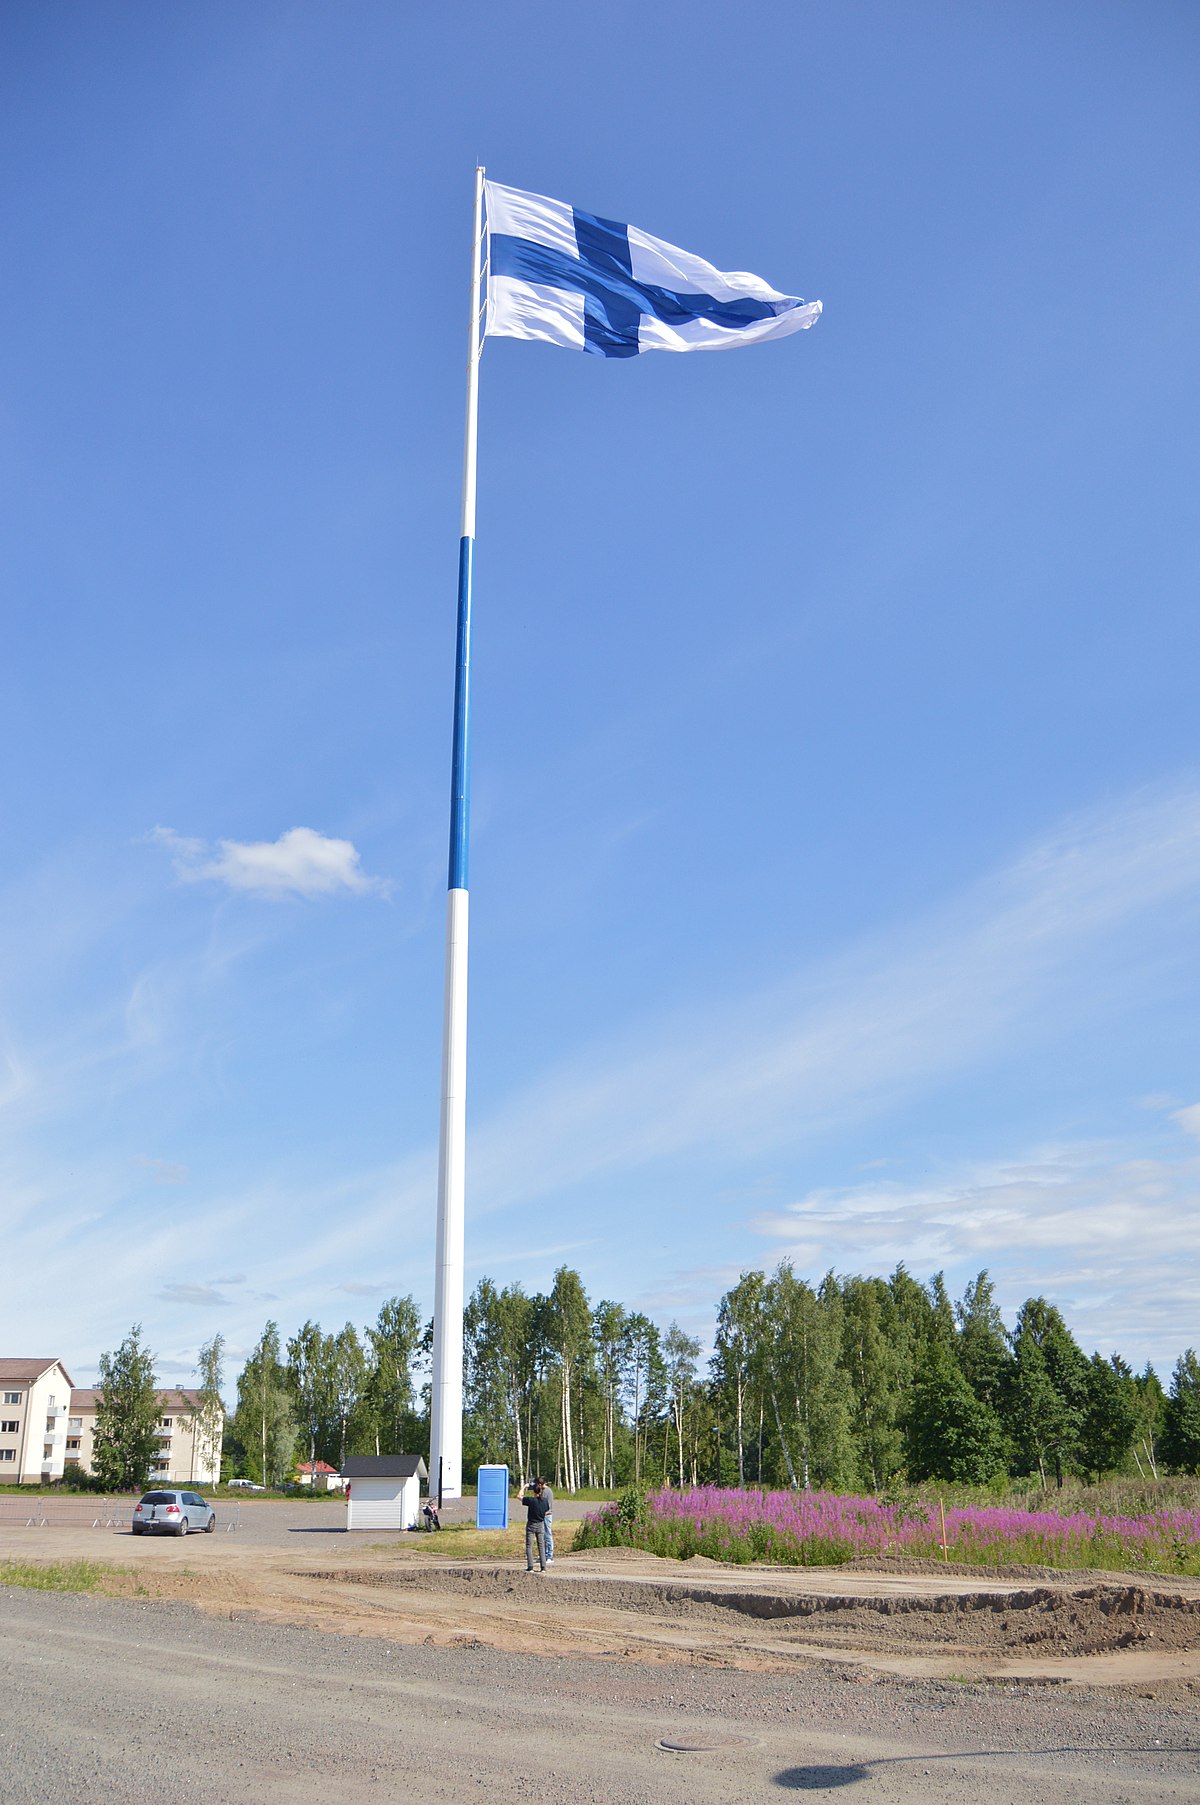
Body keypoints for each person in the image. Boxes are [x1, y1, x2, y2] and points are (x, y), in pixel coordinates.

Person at [519, 1476, 550, 1571]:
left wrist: (524, 1487)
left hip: (531, 1524)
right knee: (541, 1546)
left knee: (529, 1546)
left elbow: (519, 1496)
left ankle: (530, 1566)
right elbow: (546, 1511)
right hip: (540, 1524)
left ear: (534, 1491)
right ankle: (543, 1567)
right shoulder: (545, 1501)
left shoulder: (531, 1501)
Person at [540, 1478, 554, 1564]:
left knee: (548, 1535)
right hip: (545, 1515)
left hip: (547, 1515)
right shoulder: (546, 1490)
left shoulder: (546, 1491)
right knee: (544, 1535)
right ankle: (545, 1555)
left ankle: (550, 1555)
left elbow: (543, 1503)